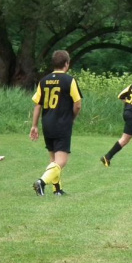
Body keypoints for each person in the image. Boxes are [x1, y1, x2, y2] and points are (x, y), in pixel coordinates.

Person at [30, 50, 83, 196]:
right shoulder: (69, 80)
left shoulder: (43, 81)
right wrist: (72, 118)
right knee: (62, 161)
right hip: (62, 123)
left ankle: (57, 189)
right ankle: (41, 182)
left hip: (47, 123)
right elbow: (78, 104)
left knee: (53, 159)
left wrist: (34, 126)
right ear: (67, 64)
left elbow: (37, 105)